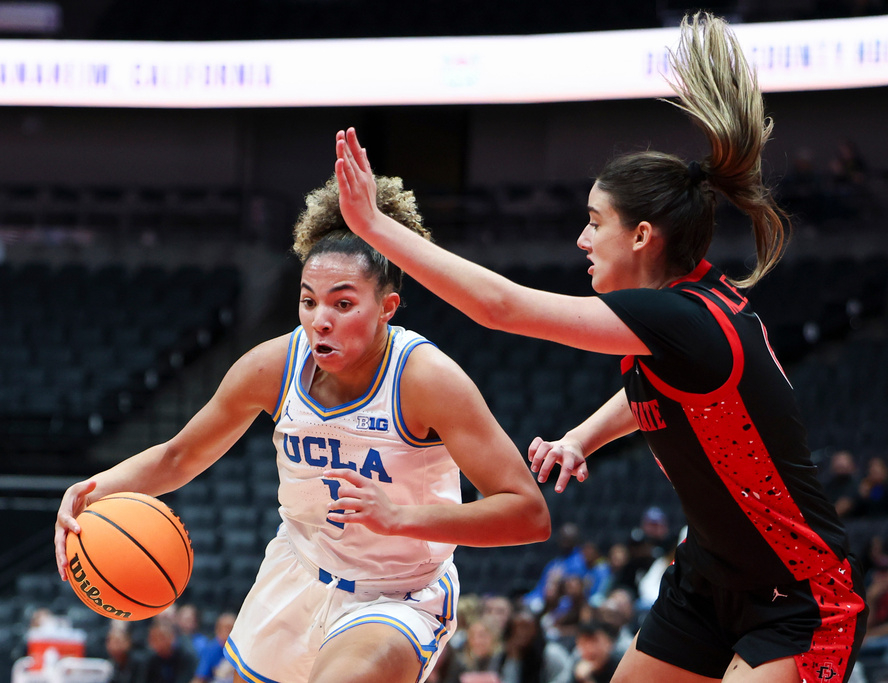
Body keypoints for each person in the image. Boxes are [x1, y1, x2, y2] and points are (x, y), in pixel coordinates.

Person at [333, 11, 866, 683]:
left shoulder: (679, 319)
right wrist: (583, 437)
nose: (582, 240)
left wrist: (373, 227)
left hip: (798, 596)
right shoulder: (689, 314)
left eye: (594, 222)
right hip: (706, 582)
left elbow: (500, 307)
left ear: (642, 236)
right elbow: (668, 391)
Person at [53, 174, 550, 683]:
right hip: (296, 574)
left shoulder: (427, 380)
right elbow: (178, 457)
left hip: (396, 594)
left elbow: (527, 514)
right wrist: (90, 490)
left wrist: (399, 517)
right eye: (309, 301)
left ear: (387, 308)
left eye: (343, 303)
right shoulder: (272, 366)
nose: (320, 320)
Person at [191, 612, 236, 683]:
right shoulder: (210, 649)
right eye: (226, 628)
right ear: (218, 630)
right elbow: (200, 678)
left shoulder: (241, 651)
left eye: (232, 629)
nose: (229, 632)